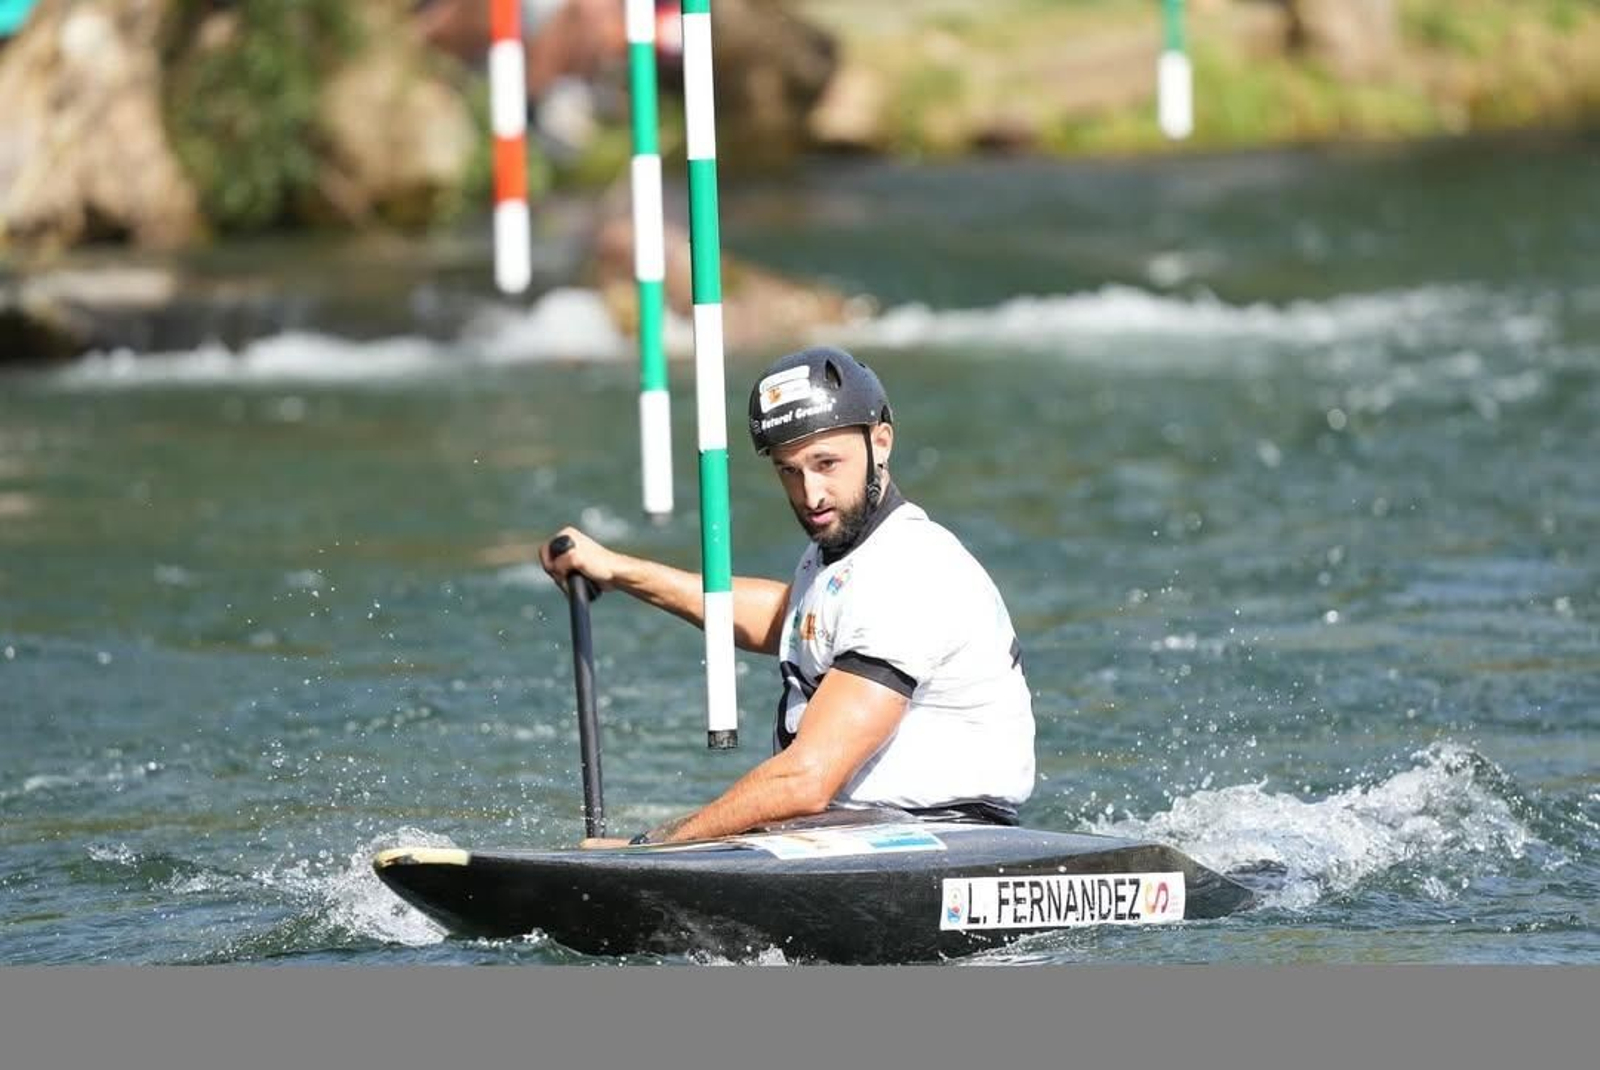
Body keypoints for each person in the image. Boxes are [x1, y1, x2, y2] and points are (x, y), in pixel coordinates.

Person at [540, 346, 1035, 846]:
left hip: (939, 840)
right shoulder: (845, 552)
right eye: (789, 471)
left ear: (881, 442)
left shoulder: (907, 569)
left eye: (826, 463)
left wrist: (651, 848)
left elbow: (807, 779)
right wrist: (619, 570)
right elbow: (792, 622)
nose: (810, 494)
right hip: (859, 832)